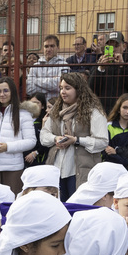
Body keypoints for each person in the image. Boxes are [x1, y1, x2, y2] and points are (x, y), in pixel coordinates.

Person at [40, 71, 108, 200]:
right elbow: (44, 135)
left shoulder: (93, 111)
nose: (63, 92)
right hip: (56, 169)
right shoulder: (56, 110)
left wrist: (76, 140)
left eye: (67, 88)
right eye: (61, 88)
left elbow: (102, 141)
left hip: (80, 170)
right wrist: (55, 138)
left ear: (78, 90)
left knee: (77, 207)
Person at [27, 35, 67, 99]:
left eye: (52, 46)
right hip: (39, 105)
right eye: (46, 46)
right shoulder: (35, 66)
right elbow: (29, 89)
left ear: (58, 47)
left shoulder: (64, 65)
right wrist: (52, 85)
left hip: (56, 104)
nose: (48, 49)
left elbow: (59, 87)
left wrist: (36, 81)